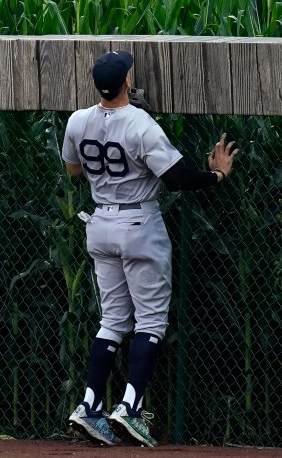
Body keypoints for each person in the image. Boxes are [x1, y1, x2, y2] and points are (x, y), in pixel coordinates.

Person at [62, 50, 239, 447]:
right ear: (128, 81)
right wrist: (217, 174)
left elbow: (74, 170)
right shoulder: (141, 125)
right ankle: (129, 408)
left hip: (101, 222)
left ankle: (90, 407)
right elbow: (176, 179)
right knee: (151, 322)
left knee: (112, 321)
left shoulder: (78, 120)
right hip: (139, 224)